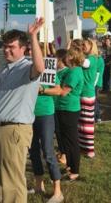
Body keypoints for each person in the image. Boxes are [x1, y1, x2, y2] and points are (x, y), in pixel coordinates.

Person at [0, 18, 45, 203]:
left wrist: (33, 36)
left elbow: (40, 68)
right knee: (5, 179)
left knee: (13, 182)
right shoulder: (4, 69)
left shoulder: (26, 68)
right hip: (0, 128)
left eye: (11, 47)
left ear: (24, 49)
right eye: (4, 46)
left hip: (14, 130)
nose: (6, 50)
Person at [28, 47, 64, 203]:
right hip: (29, 115)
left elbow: (58, 90)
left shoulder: (48, 68)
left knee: (48, 151)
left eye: (32, 51)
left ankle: (58, 191)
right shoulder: (25, 68)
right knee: (33, 150)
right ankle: (38, 185)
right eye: (28, 51)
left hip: (45, 114)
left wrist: (42, 90)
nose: (30, 53)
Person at [56, 47, 84, 181]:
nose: (65, 57)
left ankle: (75, 170)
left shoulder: (74, 72)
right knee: (67, 140)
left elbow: (64, 91)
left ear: (71, 57)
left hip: (69, 109)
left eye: (67, 55)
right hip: (64, 108)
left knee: (72, 141)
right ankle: (70, 166)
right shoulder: (73, 71)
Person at [78, 38, 98, 158]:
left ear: (91, 46)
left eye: (84, 45)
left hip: (87, 93)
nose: (82, 47)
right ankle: (84, 146)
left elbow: (83, 63)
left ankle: (90, 150)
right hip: (84, 93)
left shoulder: (91, 59)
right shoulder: (90, 58)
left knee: (87, 123)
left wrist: (74, 51)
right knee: (82, 122)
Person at [54, 49, 69, 165]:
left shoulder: (66, 72)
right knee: (57, 131)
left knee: (62, 131)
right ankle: (61, 151)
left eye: (56, 58)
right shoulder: (56, 71)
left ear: (61, 60)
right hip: (55, 105)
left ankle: (64, 154)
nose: (54, 60)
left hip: (62, 106)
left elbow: (61, 90)